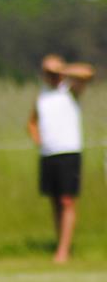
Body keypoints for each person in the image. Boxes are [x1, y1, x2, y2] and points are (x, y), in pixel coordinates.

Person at [28, 53, 94, 263]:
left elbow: (87, 73)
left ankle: (64, 251)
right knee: (55, 201)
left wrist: (62, 70)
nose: (51, 76)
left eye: (53, 73)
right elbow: (31, 122)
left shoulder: (70, 91)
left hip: (69, 151)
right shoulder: (42, 96)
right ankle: (60, 244)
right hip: (48, 153)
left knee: (67, 201)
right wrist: (39, 140)